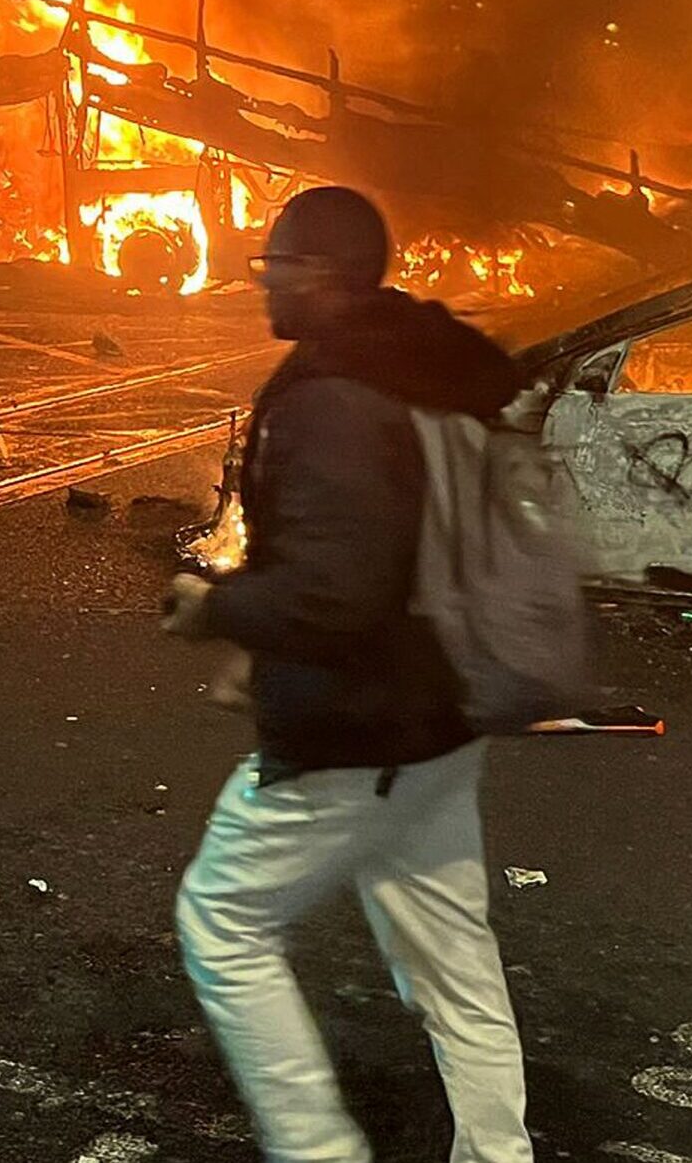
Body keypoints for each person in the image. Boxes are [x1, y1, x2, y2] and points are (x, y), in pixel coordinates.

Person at [162, 186, 533, 1163]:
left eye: (272, 265)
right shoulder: (424, 367)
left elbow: (336, 594)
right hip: (439, 717)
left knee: (221, 922)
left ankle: (317, 1153)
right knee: (456, 967)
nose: (263, 284)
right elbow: (390, 551)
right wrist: (258, 650)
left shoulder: (333, 396)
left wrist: (218, 612)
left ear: (321, 272)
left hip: (355, 732)